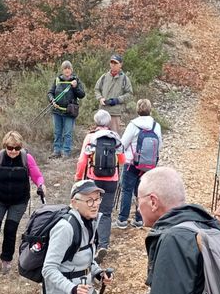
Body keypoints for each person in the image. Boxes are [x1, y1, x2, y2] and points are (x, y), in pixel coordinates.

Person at [0, 131, 46, 273]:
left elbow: (37, 176)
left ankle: (6, 259)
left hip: (19, 201)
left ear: (21, 147)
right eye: (10, 148)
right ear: (5, 146)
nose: (13, 151)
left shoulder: (27, 158)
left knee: (10, 229)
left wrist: (41, 185)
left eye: (17, 148)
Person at [75, 110, 124, 263]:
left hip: (93, 179)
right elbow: (122, 160)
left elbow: (83, 160)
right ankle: (103, 244)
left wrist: (78, 178)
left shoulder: (91, 137)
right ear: (108, 122)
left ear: (95, 121)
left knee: (90, 210)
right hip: (111, 180)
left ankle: (89, 243)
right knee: (106, 213)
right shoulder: (115, 137)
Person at [116, 99, 162, 230]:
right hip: (149, 165)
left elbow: (123, 144)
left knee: (126, 190)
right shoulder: (156, 126)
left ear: (137, 110)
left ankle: (122, 220)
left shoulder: (133, 125)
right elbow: (160, 145)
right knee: (142, 192)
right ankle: (139, 219)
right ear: (150, 110)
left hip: (132, 163)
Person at [48, 60, 86, 158]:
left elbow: (81, 95)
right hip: (57, 111)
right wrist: (52, 100)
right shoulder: (57, 79)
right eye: (65, 68)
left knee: (68, 133)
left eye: (69, 68)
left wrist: (75, 87)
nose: (67, 70)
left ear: (71, 70)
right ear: (62, 70)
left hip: (69, 112)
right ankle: (57, 151)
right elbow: (50, 93)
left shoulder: (76, 80)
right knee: (57, 132)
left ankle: (66, 152)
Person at [95, 54, 134, 135]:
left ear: (120, 64)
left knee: (114, 136)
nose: (113, 64)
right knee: (100, 136)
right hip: (103, 111)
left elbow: (129, 94)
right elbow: (97, 89)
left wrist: (117, 100)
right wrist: (100, 98)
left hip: (115, 113)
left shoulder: (124, 79)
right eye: (111, 62)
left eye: (115, 63)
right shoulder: (104, 77)